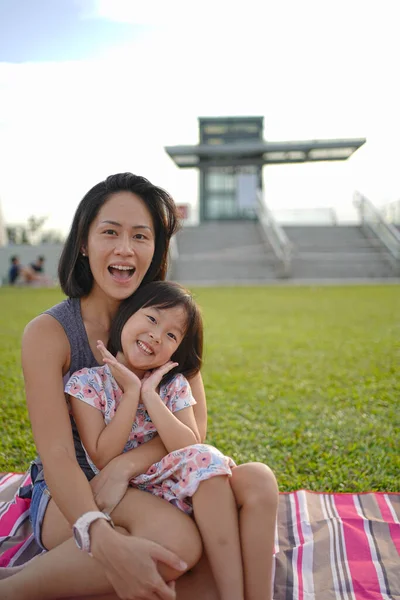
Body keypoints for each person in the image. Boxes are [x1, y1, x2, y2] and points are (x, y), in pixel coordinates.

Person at [0, 172, 278, 600]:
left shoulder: (168, 321)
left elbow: (194, 434)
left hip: (156, 479)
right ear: (83, 243)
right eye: (110, 232)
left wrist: (124, 466)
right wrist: (102, 537)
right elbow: (57, 455)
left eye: (141, 236)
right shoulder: (51, 333)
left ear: (156, 248)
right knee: (180, 546)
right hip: (72, 492)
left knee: (255, 484)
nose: (125, 249)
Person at [67, 280, 250, 600]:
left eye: (171, 335)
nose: (156, 335)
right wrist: (131, 395)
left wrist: (150, 395)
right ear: (125, 316)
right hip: (124, 493)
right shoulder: (88, 382)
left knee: (209, 460)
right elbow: (102, 456)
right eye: (152, 319)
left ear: (177, 350)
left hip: (168, 484)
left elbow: (191, 445)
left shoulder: (172, 386)